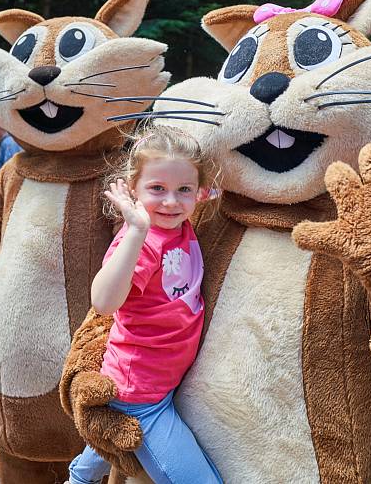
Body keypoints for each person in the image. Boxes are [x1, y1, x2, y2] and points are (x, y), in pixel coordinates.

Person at [67, 126, 222, 484]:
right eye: (157, 189)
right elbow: (104, 302)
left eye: (183, 190)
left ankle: (77, 478)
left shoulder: (180, 220)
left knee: (102, 451)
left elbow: (210, 189)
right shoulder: (143, 241)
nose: (171, 201)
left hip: (160, 381)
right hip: (140, 395)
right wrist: (135, 230)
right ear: (132, 189)